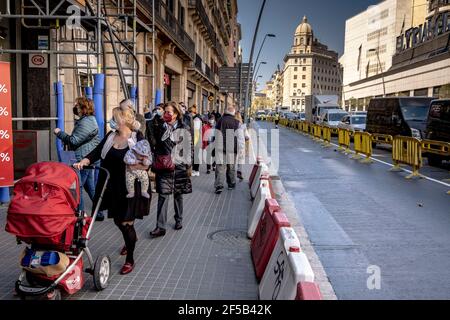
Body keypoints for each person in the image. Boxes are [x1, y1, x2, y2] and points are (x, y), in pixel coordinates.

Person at [74, 106, 151, 275]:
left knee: (125, 222)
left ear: (123, 120)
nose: (111, 120)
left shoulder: (136, 138)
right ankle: (131, 237)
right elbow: (96, 152)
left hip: (131, 187)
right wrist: (85, 160)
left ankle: (130, 259)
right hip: (111, 186)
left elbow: (146, 162)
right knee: (118, 220)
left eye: (114, 118)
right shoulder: (110, 136)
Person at [150, 102, 193, 238]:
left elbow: (189, 147)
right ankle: (160, 226)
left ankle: (178, 219)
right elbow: (153, 143)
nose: (165, 114)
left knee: (178, 194)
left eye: (169, 112)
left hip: (179, 165)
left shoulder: (184, 127)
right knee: (163, 195)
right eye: (165, 112)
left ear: (176, 114)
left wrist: (188, 165)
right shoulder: (158, 126)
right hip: (164, 165)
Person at [54, 97, 100, 215]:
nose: (75, 108)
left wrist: (59, 133)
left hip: (83, 159)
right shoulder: (86, 120)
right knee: (89, 187)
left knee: (77, 188)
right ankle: (99, 212)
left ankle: (80, 214)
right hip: (87, 156)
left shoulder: (87, 121)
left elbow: (74, 140)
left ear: (84, 108)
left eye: (77, 106)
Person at [214, 106, 242, 194]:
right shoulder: (237, 122)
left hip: (220, 147)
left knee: (220, 167)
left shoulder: (220, 120)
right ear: (233, 113)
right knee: (231, 167)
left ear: (225, 112)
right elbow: (240, 136)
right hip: (232, 148)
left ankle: (219, 185)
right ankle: (231, 184)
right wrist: (241, 148)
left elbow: (215, 133)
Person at [235, 112, 250, 181]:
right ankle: (239, 172)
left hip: (232, 144)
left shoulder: (231, 124)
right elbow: (247, 137)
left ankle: (230, 173)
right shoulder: (243, 126)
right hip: (241, 145)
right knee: (240, 159)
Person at [189, 105, 203, 177]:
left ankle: (196, 170)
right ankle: (195, 170)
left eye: (190, 112)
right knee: (195, 155)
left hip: (196, 140)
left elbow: (196, 132)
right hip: (196, 140)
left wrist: (194, 142)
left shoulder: (196, 119)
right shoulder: (195, 118)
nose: (189, 114)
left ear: (193, 112)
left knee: (196, 156)